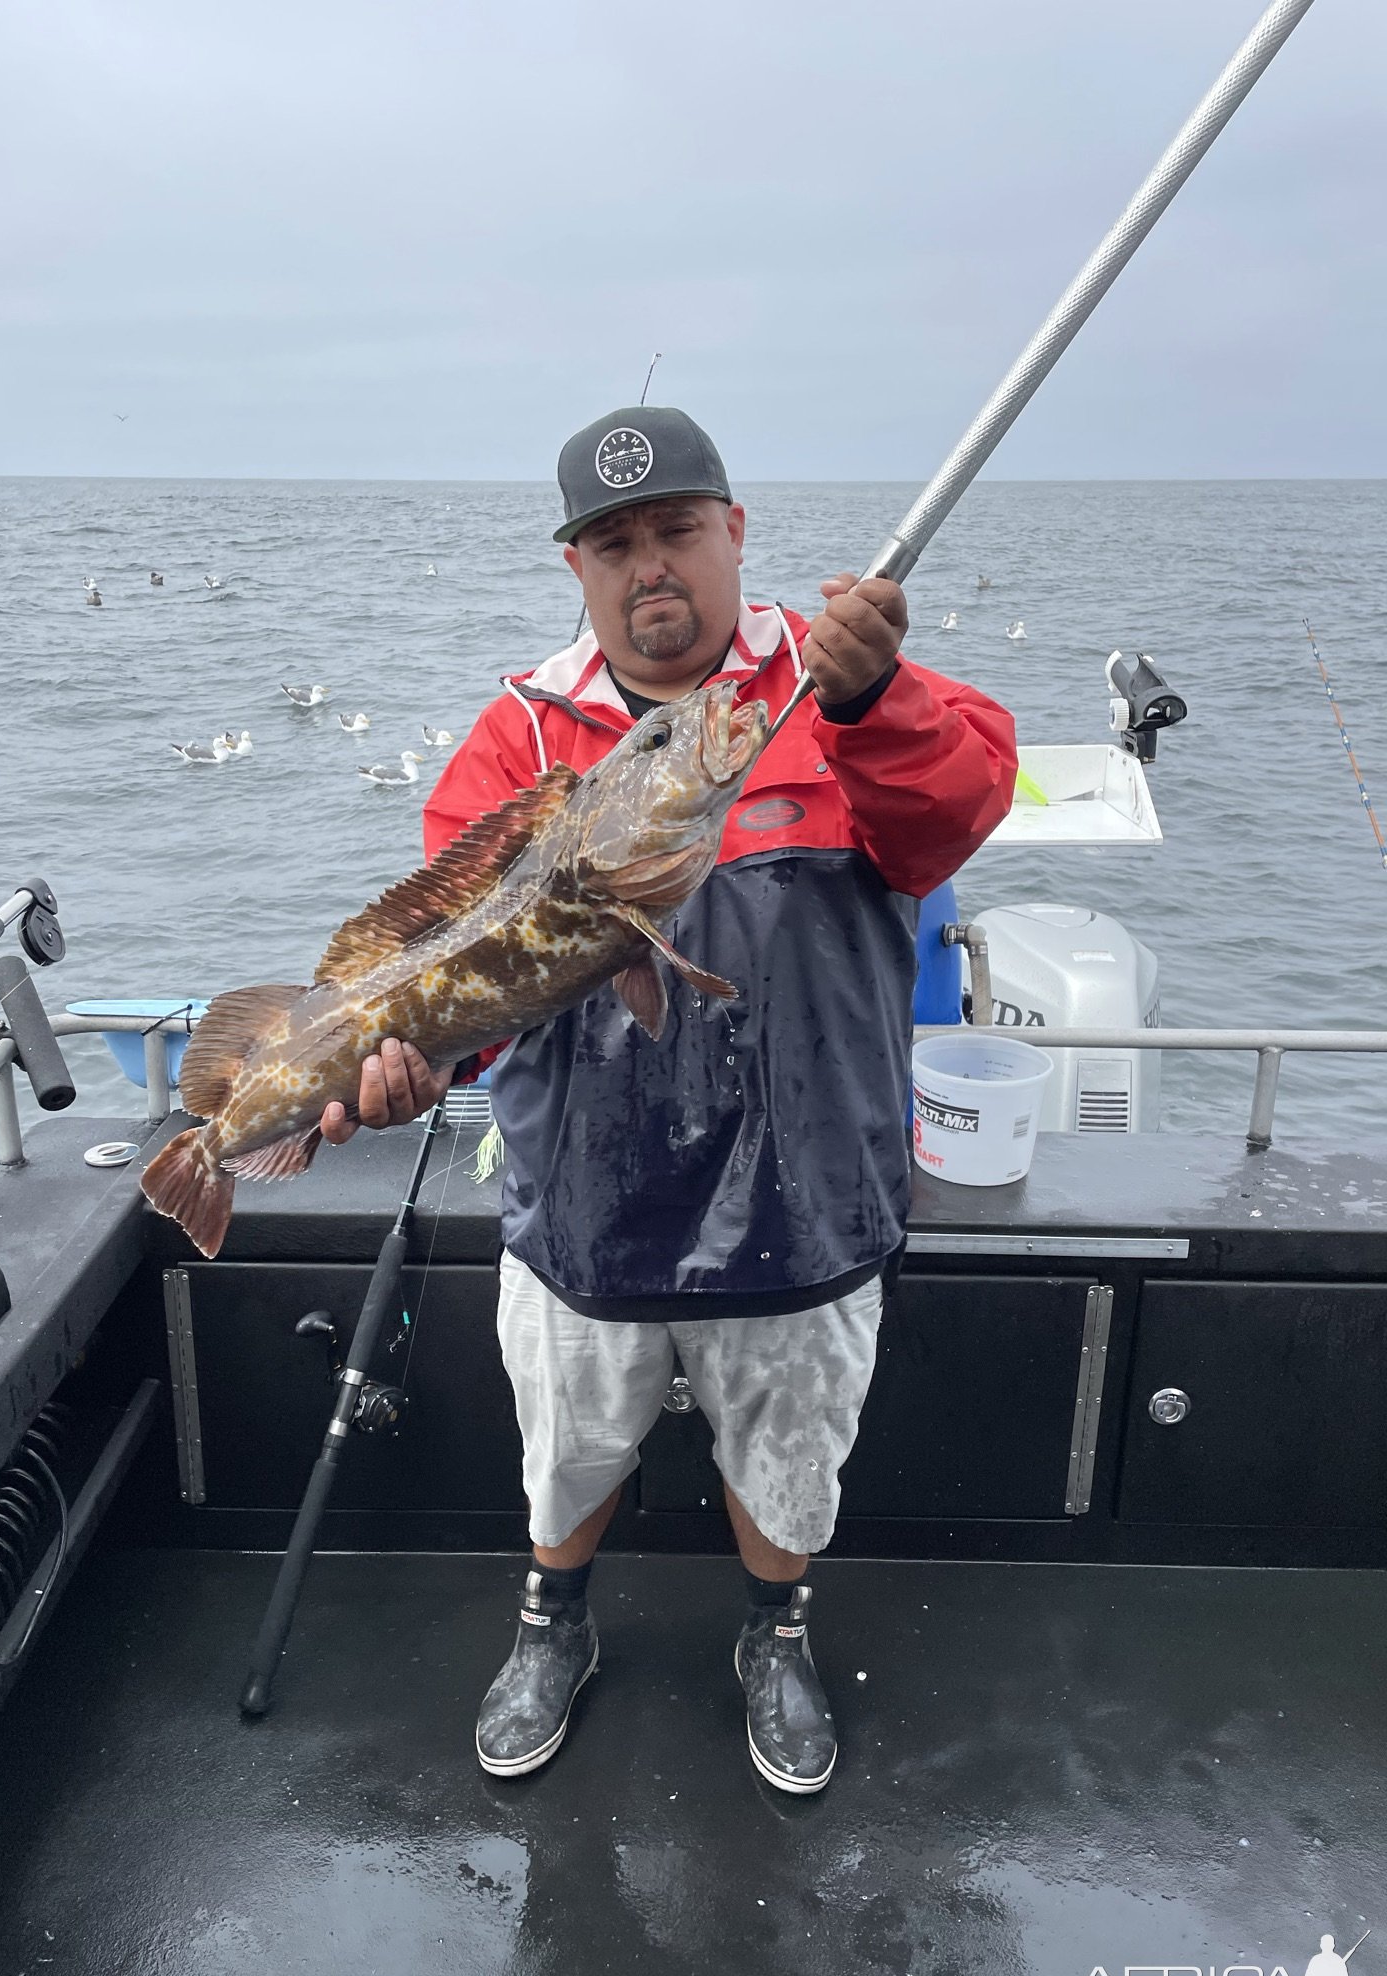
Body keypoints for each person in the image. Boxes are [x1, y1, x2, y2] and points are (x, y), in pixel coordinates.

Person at [321, 406, 1017, 1793]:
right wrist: (406, 1070)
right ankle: (552, 1621)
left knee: (792, 1450)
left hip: (807, 1194)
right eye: (617, 542)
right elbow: (463, 973)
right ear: (576, 567)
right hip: (588, 1206)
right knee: (568, 1447)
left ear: (735, 534)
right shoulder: (519, 737)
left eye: (678, 531)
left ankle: (777, 1630)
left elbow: (953, 813)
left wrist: (877, 703)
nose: (652, 568)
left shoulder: (839, 688)